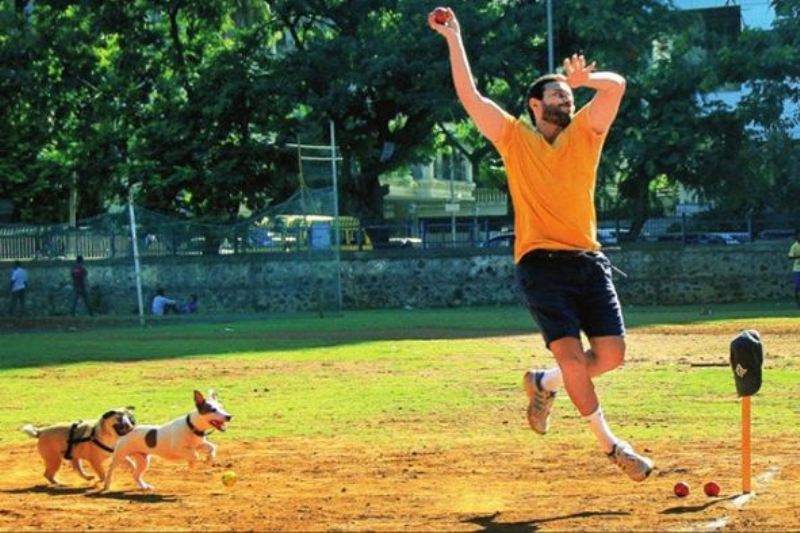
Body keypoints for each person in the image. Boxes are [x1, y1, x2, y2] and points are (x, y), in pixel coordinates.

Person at [429, 8, 653, 481]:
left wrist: (590, 79)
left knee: (611, 357)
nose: (566, 98)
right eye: (557, 92)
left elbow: (618, 87)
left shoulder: (586, 133)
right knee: (573, 358)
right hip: (540, 264)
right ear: (534, 104)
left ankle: (541, 383)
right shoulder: (513, 137)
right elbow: (469, 96)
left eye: (569, 94)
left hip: (589, 261)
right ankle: (613, 447)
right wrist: (455, 37)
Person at [789, 230, 800, 307]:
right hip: (797, 269)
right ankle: (798, 303)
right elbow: (790, 256)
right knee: (798, 287)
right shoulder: (794, 246)